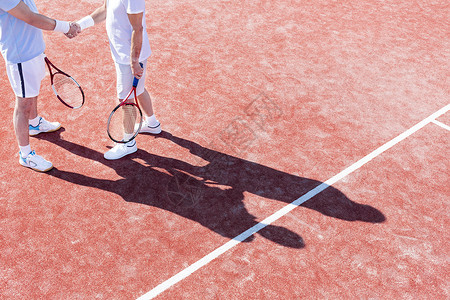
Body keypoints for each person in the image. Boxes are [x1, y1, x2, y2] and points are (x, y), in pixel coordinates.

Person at [0, 0, 81, 172]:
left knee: (32, 92)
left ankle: (34, 123)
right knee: (23, 104)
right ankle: (25, 154)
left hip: (33, 50)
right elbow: (29, 17)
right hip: (21, 56)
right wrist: (65, 27)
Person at [76, 0, 162, 160]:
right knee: (139, 89)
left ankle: (128, 143)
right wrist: (80, 25)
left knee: (126, 99)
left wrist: (134, 61)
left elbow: (138, 28)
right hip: (122, 54)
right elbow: (105, 9)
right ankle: (152, 123)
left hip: (129, 58)